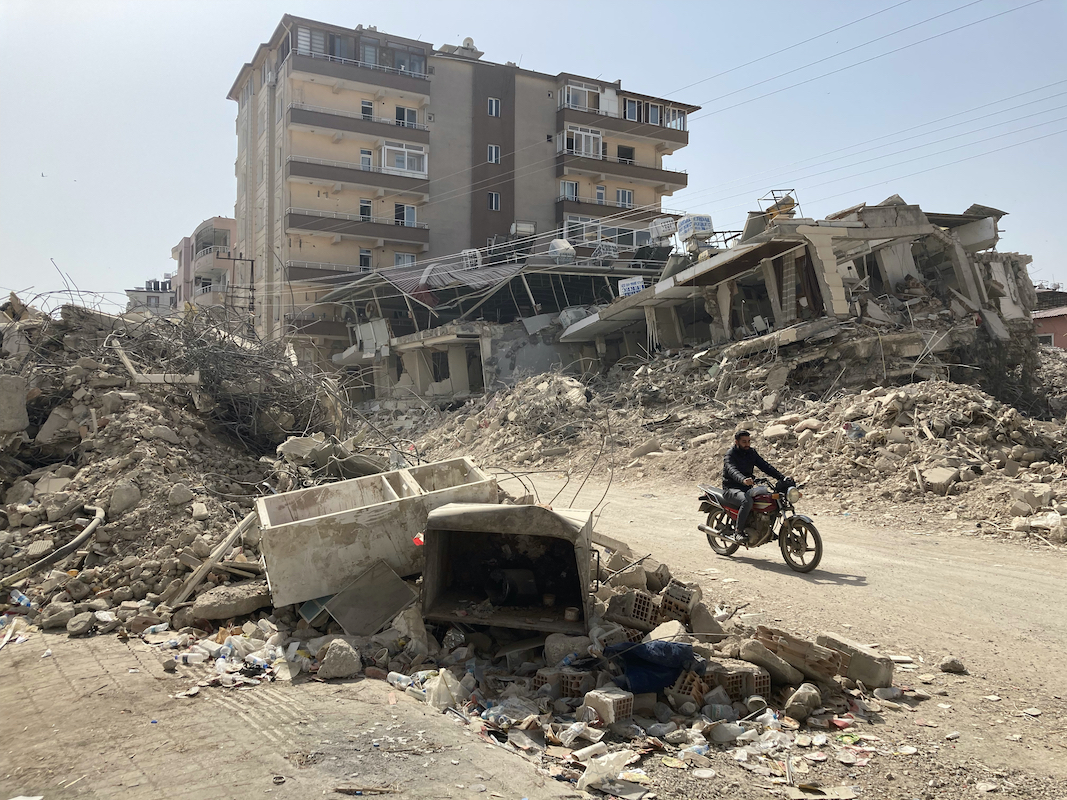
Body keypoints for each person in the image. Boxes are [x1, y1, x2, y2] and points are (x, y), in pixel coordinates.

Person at [723, 430, 785, 539]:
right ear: (736, 442)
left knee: (771, 499)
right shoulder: (730, 454)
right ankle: (738, 531)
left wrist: (782, 477)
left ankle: (767, 529)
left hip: (747, 487)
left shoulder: (751, 452)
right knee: (746, 501)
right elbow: (732, 470)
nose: (747, 444)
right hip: (731, 488)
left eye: (748, 441)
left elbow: (765, 466)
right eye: (744, 442)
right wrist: (743, 479)